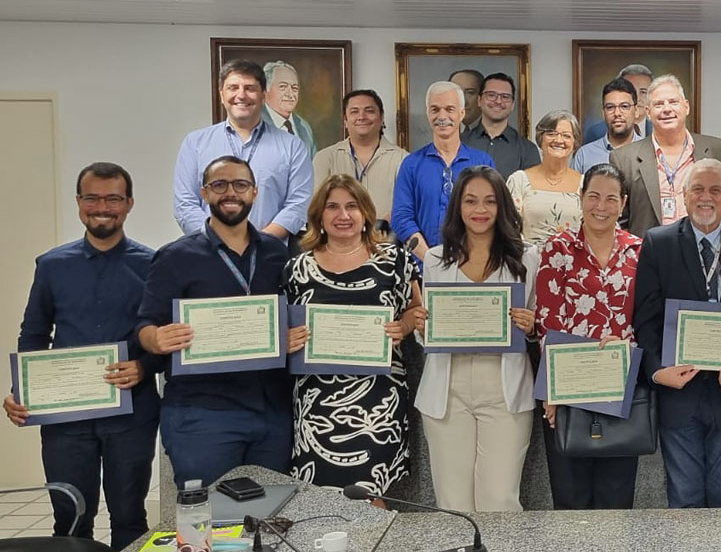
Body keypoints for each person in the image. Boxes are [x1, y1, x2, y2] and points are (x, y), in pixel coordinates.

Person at [3, 163, 157, 551]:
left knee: (129, 515)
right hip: (65, 418)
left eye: (112, 198)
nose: (101, 206)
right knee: (70, 516)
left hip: (131, 413)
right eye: (92, 197)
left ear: (129, 204)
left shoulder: (153, 265)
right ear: (78, 203)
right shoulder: (52, 265)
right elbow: (34, 334)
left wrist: (143, 366)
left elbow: (163, 338)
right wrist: (22, 391)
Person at [139, 156, 305, 487]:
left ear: (254, 193)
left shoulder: (277, 253)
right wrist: (155, 339)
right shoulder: (175, 257)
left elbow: (296, 310)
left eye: (240, 185)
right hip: (203, 415)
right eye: (219, 185)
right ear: (204, 193)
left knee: (268, 520)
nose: (231, 193)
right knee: (210, 522)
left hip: (272, 411)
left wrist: (289, 337)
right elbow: (145, 325)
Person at [633, 159, 721, 508]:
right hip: (679, 395)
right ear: (684, 195)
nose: (706, 197)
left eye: (715, 190)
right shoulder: (658, 242)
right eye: (697, 189)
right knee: (683, 498)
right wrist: (656, 370)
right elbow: (645, 319)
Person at [285, 175, 425, 495]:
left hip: (378, 404)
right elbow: (283, 323)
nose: (343, 215)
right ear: (319, 216)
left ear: (366, 215)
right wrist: (286, 338)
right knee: (319, 501)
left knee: (370, 495)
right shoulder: (296, 268)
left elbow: (417, 312)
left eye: (352, 206)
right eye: (332, 207)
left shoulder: (394, 261)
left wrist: (402, 327)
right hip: (316, 404)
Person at [416, 166, 540, 512]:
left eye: (489, 201)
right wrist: (423, 327)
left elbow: (536, 324)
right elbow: (428, 326)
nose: (479, 210)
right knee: (453, 502)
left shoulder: (527, 258)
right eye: (470, 201)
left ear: (502, 207)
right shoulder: (436, 260)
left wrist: (531, 326)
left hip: (503, 389)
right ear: (458, 206)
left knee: (499, 500)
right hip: (447, 389)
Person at [534, 163, 644, 509]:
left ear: (623, 204)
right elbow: (546, 323)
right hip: (569, 391)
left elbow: (646, 319)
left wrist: (630, 346)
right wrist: (551, 392)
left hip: (619, 391)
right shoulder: (558, 248)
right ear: (580, 198)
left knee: (617, 501)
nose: (601, 206)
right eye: (593, 196)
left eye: (611, 198)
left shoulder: (639, 251)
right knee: (571, 501)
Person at [174, 59, 313, 240]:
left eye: (250, 88)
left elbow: (298, 204)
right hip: (208, 254)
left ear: (263, 95)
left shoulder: (293, 146)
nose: (241, 95)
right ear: (222, 95)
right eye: (233, 88)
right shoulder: (195, 144)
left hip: (269, 255)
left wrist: (257, 243)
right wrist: (218, 241)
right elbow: (185, 203)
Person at [610, 75, 721, 238]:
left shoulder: (716, 149)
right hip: (648, 254)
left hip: (703, 251)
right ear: (648, 112)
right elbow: (618, 219)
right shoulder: (623, 158)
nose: (667, 109)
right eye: (658, 104)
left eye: (673, 102)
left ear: (686, 107)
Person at [392, 81, 495, 257]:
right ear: (427, 114)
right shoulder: (411, 164)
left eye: (449, 109)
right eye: (435, 109)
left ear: (462, 114)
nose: (442, 116)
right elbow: (402, 219)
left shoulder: (482, 162)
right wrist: (430, 260)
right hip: (423, 267)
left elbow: (492, 214)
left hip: (473, 267)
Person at [312, 89, 408, 221]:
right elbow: (318, 206)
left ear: (381, 118)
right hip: (337, 237)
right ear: (345, 120)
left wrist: (377, 230)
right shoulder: (325, 158)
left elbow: (406, 207)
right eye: (354, 112)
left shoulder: (403, 159)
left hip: (387, 237)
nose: (362, 117)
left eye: (369, 111)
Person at [508, 111, 584, 246]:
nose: (558, 140)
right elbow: (509, 229)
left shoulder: (585, 184)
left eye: (566, 136)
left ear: (575, 143)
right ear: (540, 138)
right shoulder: (519, 181)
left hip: (575, 264)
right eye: (551, 134)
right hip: (529, 262)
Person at [463, 72, 540, 178]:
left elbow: (530, 192)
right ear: (479, 100)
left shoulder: (527, 150)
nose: (498, 101)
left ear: (512, 105)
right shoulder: (460, 142)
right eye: (491, 95)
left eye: (505, 96)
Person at [572, 77, 646, 172]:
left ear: (636, 111)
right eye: (610, 107)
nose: (617, 113)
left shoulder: (650, 152)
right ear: (603, 113)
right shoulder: (584, 155)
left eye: (624, 106)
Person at [583, 64, 654, 144]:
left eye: (643, 92)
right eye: (630, 90)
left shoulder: (659, 130)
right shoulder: (595, 132)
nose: (637, 98)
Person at [262, 61, 317, 156]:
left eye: (294, 88)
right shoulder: (252, 124)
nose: (290, 94)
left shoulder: (304, 127)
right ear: (265, 90)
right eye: (283, 87)